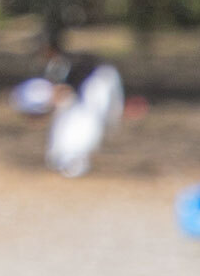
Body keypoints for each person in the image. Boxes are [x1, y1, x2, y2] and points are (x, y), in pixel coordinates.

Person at [12, 46, 124, 177]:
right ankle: (72, 160)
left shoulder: (59, 69)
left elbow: (61, 92)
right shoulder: (53, 72)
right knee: (84, 119)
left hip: (98, 81)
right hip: (92, 86)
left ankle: (74, 160)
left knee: (91, 120)